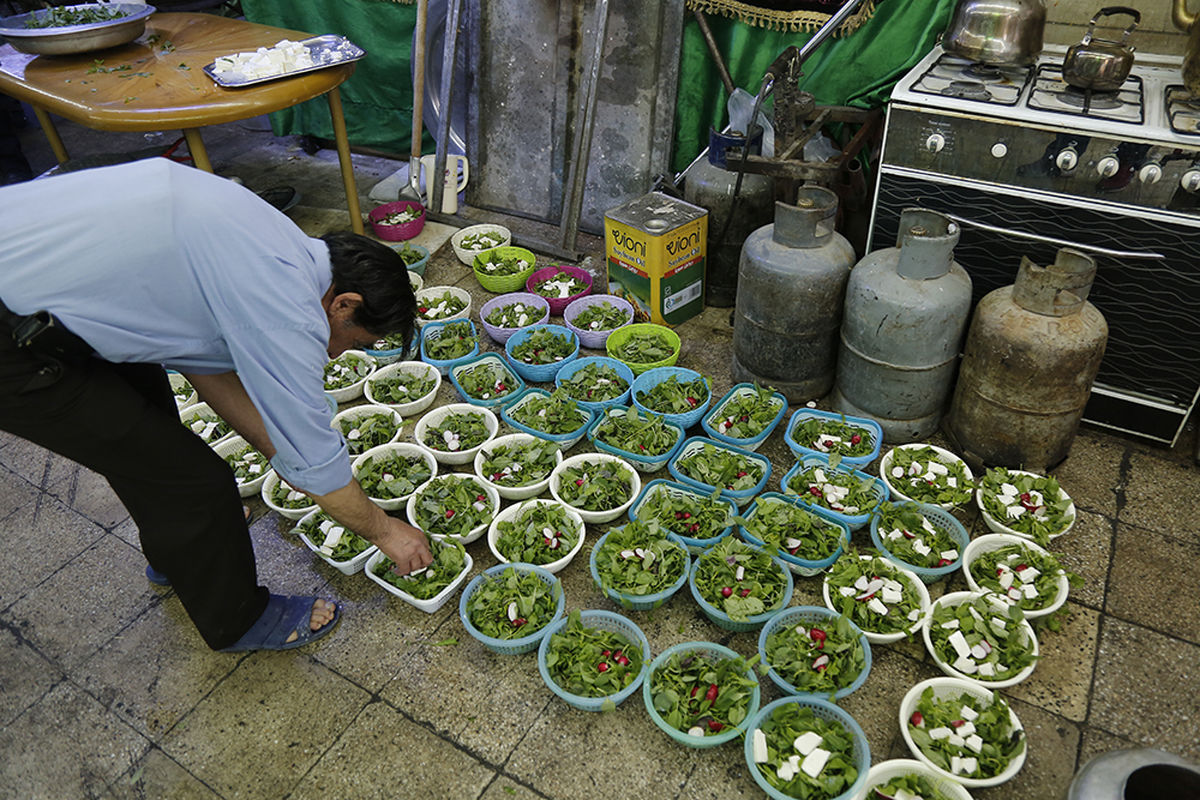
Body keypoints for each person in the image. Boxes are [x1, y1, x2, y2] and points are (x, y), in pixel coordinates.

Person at [0, 158, 433, 652]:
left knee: (147, 421)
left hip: (49, 287)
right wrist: (384, 531)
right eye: (353, 340)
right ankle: (239, 620)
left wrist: (285, 452)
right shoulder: (287, 307)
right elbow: (317, 458)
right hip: (14, 333)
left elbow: (203, 364)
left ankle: (183, 553)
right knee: (195, 484)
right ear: (344, 304)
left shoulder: (282, 244)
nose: (338, 353)